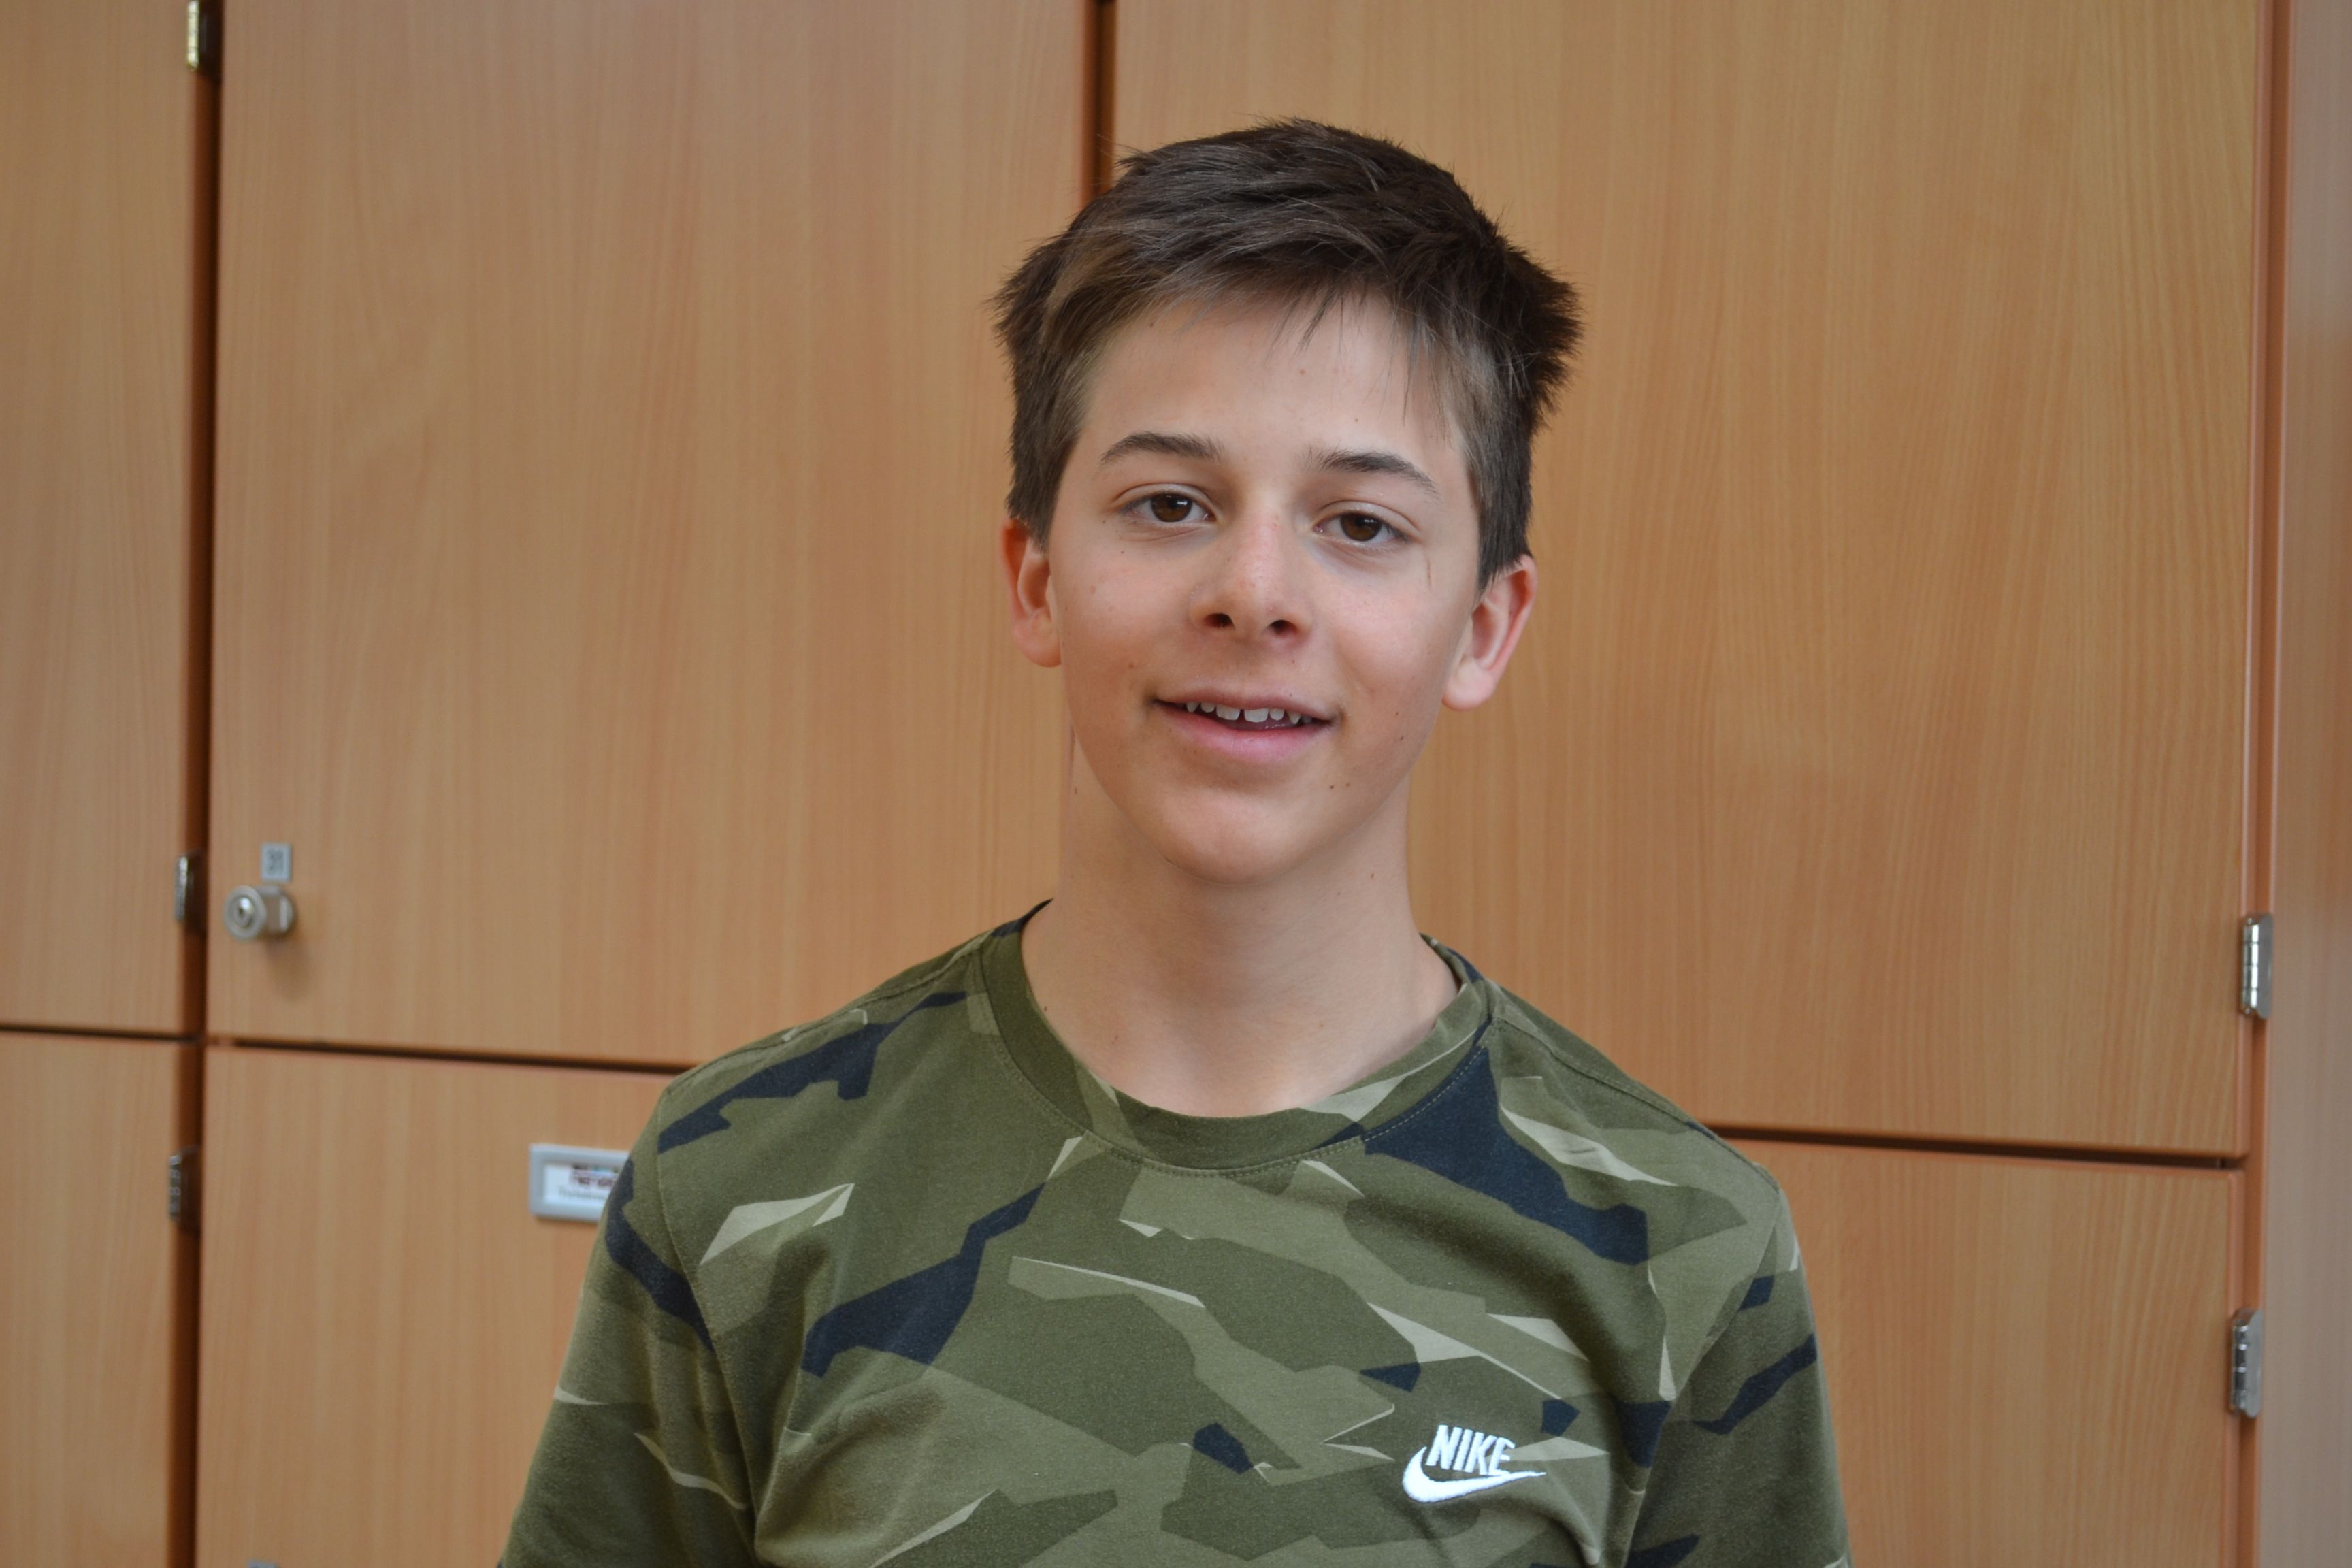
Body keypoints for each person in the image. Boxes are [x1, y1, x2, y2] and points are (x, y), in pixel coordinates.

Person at [502, 119, 1848, 1568]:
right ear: (1036, 579)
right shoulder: (740, 1181)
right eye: (1169, 505)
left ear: (1482, 625)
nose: (1254, 593)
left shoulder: (1686, 1253)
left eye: (1362, 524)